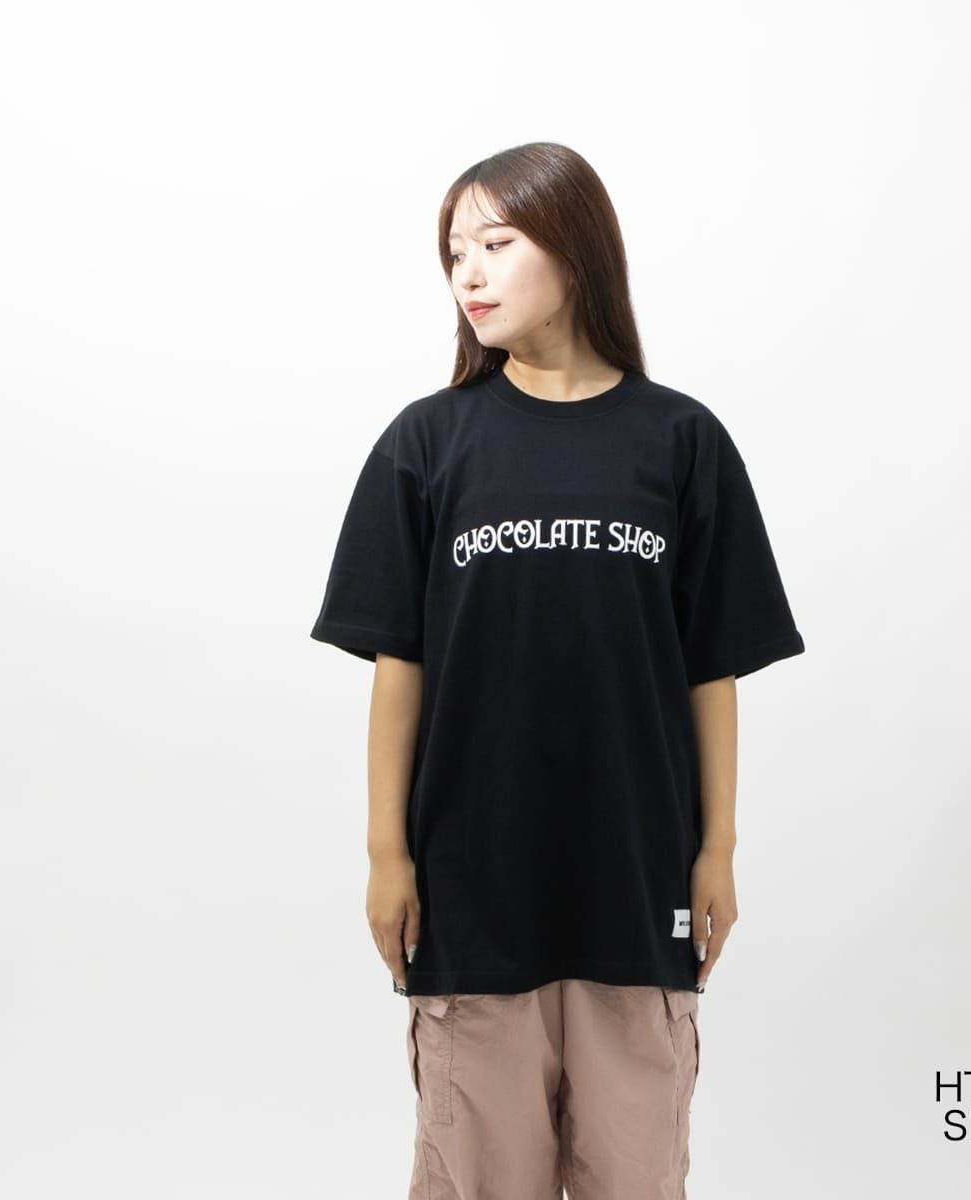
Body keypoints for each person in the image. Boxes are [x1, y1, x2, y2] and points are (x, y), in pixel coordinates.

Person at [309, 141, 806, 1199]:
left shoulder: (682, 443)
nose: (470, 274)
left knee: (637, 1175)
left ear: (575, 251)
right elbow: (401, 667)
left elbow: (710, 670)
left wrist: (717, 849)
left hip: (636, 893)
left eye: (497, 244)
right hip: (472, 899)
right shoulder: (427, 445)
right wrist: (386, 853)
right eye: (455, 253)